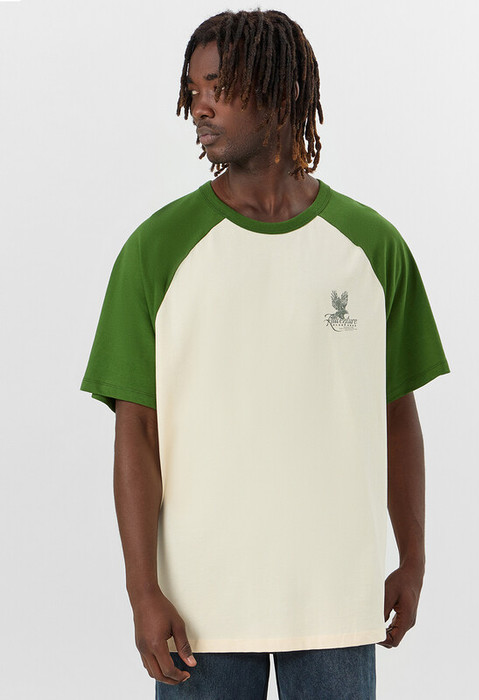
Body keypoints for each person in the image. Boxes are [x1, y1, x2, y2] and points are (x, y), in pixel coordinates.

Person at [80, 8, 450, 699]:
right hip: (198, 612)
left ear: (281, 91)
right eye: (193, 90)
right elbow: (136, 430)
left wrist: (414, 559)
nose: (200, 106)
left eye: (218, 87)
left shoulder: (372, 247)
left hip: (336, 601)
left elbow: (397, 415)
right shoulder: (157, 250)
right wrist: (141, 591)